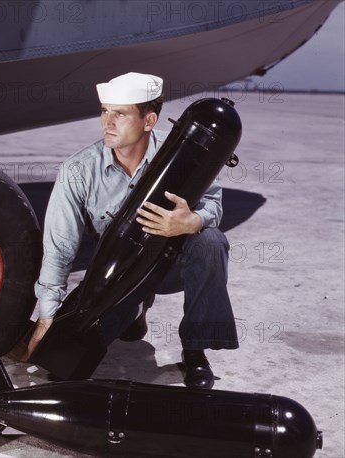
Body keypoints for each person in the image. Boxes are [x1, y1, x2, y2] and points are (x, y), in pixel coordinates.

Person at [27, 72, 239, 389]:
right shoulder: (78, 171)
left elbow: (213, 204)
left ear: (149, 120)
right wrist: (47, 317)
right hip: (120, 271)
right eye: (104, 111)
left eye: (120, 113)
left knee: (210, 242)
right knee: (64, 369)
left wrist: (190, 222)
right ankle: (134, 310)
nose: (107, 122)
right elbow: (59, 248)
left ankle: (195, 350)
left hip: (171, 261)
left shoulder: (183, 153)